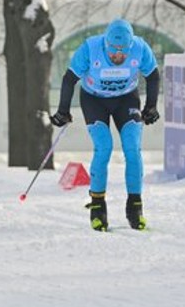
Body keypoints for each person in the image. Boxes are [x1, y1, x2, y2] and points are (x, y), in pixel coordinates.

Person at [50, 18, 160, 231]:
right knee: (104, 147)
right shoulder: (90, 48)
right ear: (106, 46)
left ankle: (135, 206)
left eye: (122, 54)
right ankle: (98, 206)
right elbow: (69, 79)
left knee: (132, 147)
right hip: (94, 100)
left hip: (126, 99)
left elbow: (153, 76)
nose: (117, 57)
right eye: (112, 54)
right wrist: (63, 111)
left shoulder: (139, 48)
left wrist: (151, 107)